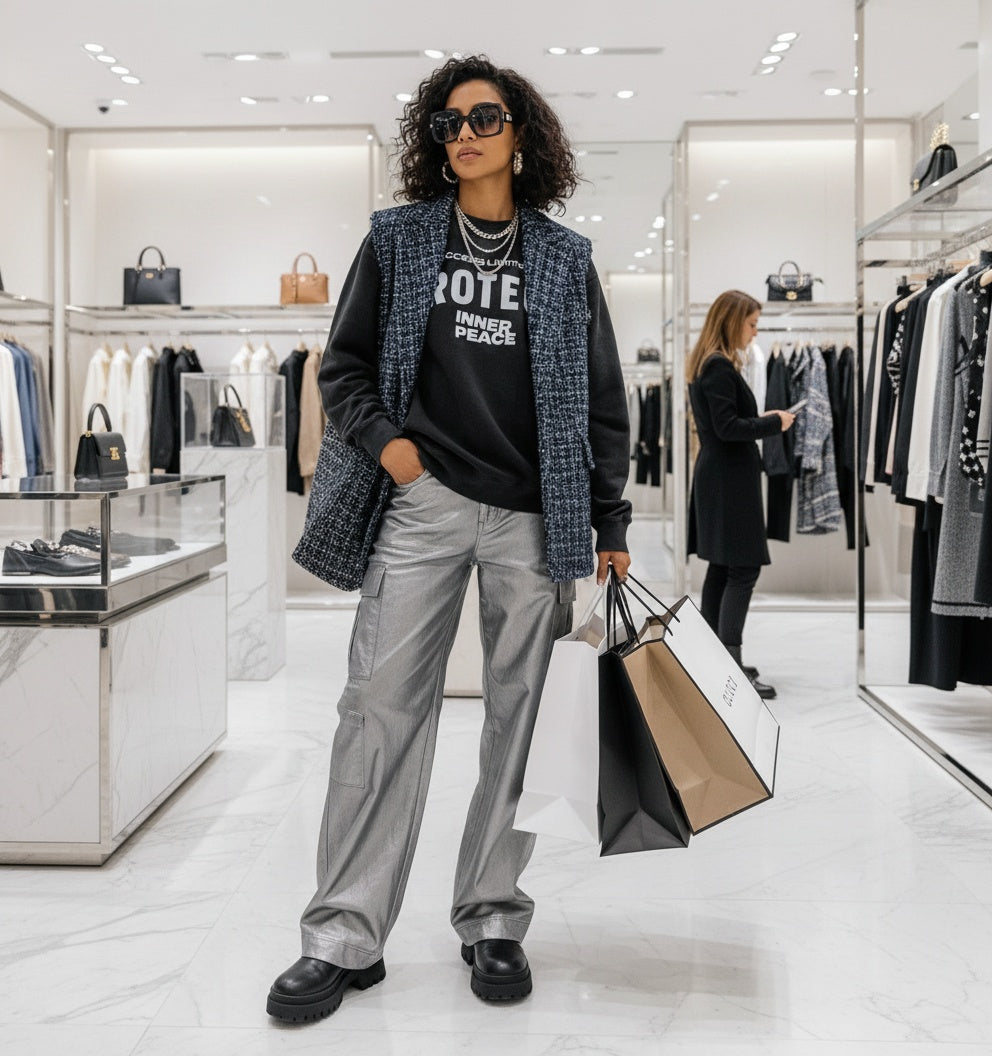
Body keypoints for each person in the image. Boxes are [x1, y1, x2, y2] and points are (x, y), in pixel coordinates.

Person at [269, 55, 632, 1022]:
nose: (462, 132)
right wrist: (393, 451)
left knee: (520, 722)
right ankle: (344, 932)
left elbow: (603, 403)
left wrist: (610, 519)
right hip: (421, 504)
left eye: (483, 116)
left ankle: (493, 916)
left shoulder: (564, 258)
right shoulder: (397, 240)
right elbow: (341, 371)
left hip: (535, 514)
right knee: (377, 709)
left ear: (522, 136)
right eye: (445, 121)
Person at [686, 290, 794, 700]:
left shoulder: (711, 364)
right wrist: (773, 422)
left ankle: (716, 655)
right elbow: (729, 427)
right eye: (751, 323)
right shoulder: (717, 368)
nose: (755, 331)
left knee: (724, 566)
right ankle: (728, 661)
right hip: (729, 481)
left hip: (724, 478)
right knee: (743, 569)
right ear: (732, 321)